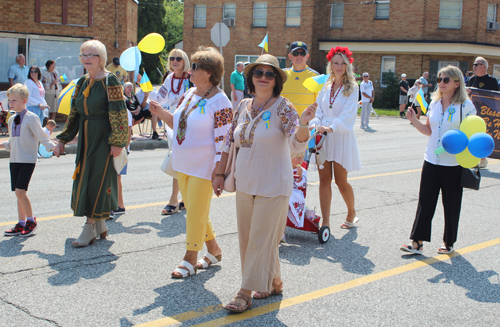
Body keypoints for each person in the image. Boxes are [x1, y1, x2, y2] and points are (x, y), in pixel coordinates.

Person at [212, 54, 315, 313]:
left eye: (270, 74)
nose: (263, 78)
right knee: (251, 239)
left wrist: (304, 124)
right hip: (245, 183)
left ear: (276, 80)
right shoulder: (243, 105)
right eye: (259, 73)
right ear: (251, 77)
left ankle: (244, 292)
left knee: (259, 238)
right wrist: (218, 173)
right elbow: (228, 141)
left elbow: (297, 142)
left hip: (274, 184)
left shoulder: (283, 107)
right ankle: (275, 281)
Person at [149, 46, 231, 279]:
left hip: (204, 167)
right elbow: (177, 123)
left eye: (194, 66)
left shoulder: (221, 101)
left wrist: (219, 172)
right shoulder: (190, 93)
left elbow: (224, 140)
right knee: (197, 210)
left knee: (194, 213)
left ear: (208, 73)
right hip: (182, 163)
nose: (189, 70)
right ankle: (214, 250)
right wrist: (160, 111)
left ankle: (190, 259)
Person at [53, 40, 128, 247]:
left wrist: (118, 142)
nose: (86, 58)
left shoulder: (110, 80)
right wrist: (62, 140)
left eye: (91, 55)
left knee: (97, 180)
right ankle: (101, 223)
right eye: (83, 55)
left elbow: (119, 113)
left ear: (101, 58)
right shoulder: (81, 82)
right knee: (85, 178)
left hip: (104, 137)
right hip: (87, 138)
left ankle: (89, 227)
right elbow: (74, 114)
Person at [401, 65, 476, 255]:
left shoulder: (466, 106)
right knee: (425, 201)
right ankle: (417, 242)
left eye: (446, 80)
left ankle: (449, 242)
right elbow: (429, 131)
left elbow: (471, 135)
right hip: (431, 160)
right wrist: (414, 121)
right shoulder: (434, 104)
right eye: (439, 79)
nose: (441, 83)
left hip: (453, 163)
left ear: (457, 83)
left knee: (451, 203)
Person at [310, 46, 361, 229]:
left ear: (348, 66)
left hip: (340, 136)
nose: (339, 66)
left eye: (342, 63)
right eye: (335, 63)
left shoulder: (353, 88)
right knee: (324, 180)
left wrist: (331, 128)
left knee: (340, 180)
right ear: (330, 65)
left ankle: (351, 211)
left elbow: (348, 114)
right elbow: (319, 109)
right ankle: (326, 222)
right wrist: (315, 124)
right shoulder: (325, 86)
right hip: (322, 137)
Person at [1, 83, 56, 237]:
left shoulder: (32, 118)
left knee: (20, 191)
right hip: (14, 160)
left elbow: (42, 136)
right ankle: (21, 223)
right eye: (9, 100)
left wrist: (53, 147)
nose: (10, 103)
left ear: (24, 100)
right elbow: (13, 142)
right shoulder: (12, 119)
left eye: (14, 100)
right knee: (18, 194)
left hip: (27, 160)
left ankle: (31, 221)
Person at [152, 49, 191, 215]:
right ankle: (183, 198)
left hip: (188, 124)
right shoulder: (169, 78)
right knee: (179, 161)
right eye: (172, 58)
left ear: (184, 61)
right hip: (171, 123)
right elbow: (160, 98)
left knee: (182, 161)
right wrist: (150, 96)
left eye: (179, 58)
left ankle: (175, 199)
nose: (175, 61)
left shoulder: (191, 78)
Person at [466, 56, 499, 169]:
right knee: (473, 135)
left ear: (483, 66)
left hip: (487, 113)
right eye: (474, 64)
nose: (473, 67)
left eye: (476, 64)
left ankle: (483, 158)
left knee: (483, 135)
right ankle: (474, 159)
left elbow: (495, 98)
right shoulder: (471, 79)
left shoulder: (492, 81)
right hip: (473, 112)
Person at [282, 41, 320, 115]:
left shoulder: (315, 76)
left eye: (302, 54)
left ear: (307, 56)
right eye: (295, 53)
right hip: (285, 122)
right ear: (290, 56)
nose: (299, 56)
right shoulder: (282, 75)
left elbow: (320, 102)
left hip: (307, 123)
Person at [116, 107, 133, 215]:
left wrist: (125, 148)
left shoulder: (123, 110)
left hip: (121, 148)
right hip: (121, 148)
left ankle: (118, 205)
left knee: (116, 176)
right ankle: (118, 204)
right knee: (115, 177)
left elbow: (128, 129)